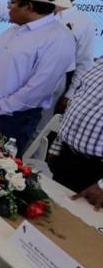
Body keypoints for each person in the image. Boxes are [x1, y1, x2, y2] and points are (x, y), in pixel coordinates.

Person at [0, 0, 75, 155]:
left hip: (11, 121)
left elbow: (37, 90)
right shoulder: (14, 30)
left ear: (28, 6)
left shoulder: (59, 38)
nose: (8, 7)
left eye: (12, 2)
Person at [0, 0, 96, 108]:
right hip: (10, 85)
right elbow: (3, 11)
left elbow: (84, 61)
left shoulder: (83, 22)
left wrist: (70, 94)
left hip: (53, 82)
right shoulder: (21, 23)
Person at [47, 59, 103, 210]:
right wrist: (57, 147)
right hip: (67, 156)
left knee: (75, 227)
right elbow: (76, 103)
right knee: (50, 214)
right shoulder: (99, 64)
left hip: (96, 175)